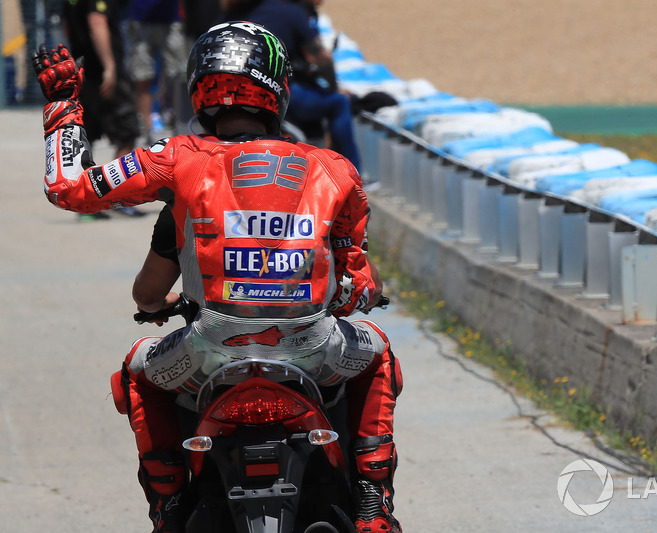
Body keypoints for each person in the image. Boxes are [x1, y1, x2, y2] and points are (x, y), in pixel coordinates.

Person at [32, 21, 402, 533]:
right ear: (279, 90)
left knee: (138, 370)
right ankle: (372, 501)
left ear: (198, 89)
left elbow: (68, 188)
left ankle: (167, 504)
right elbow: (359, 280)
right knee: (378, 352)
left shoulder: (175, 157)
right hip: (313, 348)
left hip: (209, 351)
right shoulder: (336, 169)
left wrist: (63, 105)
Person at [223, 0, 362, 171]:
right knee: (340, 102)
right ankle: (352, 173)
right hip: (281, 94)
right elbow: (322, 57)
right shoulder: (291, 12)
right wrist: (334, 87)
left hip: (232, 93)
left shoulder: (233, 14)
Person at [61, 0, 145, 219]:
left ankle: (84, 205)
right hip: (102, 76)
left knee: (86, 138)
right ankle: (120, 198)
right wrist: (109, 66)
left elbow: (66, 26)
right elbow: (96, 22)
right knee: (127, 134)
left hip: (82, 72)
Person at [124, 0, 188, 142]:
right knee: (142, 76)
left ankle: (180, 123)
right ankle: (147, 129)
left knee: (180, 75)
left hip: (171, 19)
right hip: (140, 19)